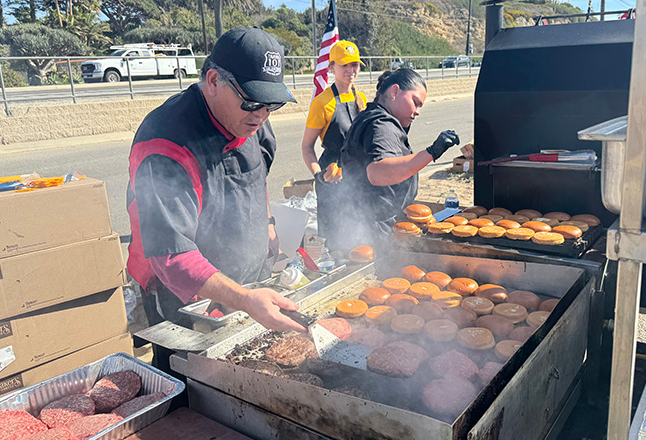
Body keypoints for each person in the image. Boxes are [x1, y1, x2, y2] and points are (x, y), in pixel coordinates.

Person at [126, 27, 306, 334]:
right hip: (187, 297)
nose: (262, 115)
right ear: (213, 81)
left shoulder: (253, 121)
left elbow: (258, 179)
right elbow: (172, 256)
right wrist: (245, 299)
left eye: (271, 104)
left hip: (249, 282)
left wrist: (268, 224)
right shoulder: (165, 144)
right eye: (252, 101)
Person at [339, 69, 460, 248]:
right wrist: (432, 152)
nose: (417, 111)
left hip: (362, 224)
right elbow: (378, 172)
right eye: (415, 102)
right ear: (394, 91)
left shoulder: (373, 116)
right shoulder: (381, 124)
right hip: (373, 230)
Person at [301, 40, 367, 248]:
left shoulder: (361, 99)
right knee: (334, 238)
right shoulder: (322, 102)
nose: (350, 70)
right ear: (331, 68)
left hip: (358, 174)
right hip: (332, 176)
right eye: (344, 65)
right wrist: (318, 175)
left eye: (354, 64)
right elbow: (307, 146)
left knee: (359, 232)